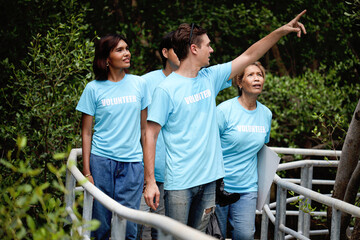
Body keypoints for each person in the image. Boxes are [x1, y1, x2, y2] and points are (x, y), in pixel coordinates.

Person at [143, 10, 307, 232]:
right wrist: (150, 181)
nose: (211, 49)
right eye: (207, 45)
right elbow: (150, 134)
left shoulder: (210, 78)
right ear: (194, 49)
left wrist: (280, 32)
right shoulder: (166, 89)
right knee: (173, 237)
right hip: (180, 184)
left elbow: (249, 56)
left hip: (209, 182)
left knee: (200, 237)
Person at [76, 34, 151, 240]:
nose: (126, 53)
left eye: (126, 48)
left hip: (132, 164)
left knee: (128, 227)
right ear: (106, 58)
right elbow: (86, 131)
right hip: (101, 162)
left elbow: (145, 131)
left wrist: (148, 171)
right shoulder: (93, 89)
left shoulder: (139, 84)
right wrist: (86, 172)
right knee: (100, 225)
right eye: (119, 50)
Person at [215, 62, 270, 240]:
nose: (257, 78)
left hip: (247, 189)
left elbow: (262, 149)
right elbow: (209, 145)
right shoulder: (224, 110)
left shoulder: (266, 114)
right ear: (239, 82)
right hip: (218, 188)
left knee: (245, 235)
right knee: (216, 236)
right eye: (251, 75)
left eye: (259, 75)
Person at [136, 31, 180, 240]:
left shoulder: (193, 82)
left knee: (164, 233)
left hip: (178, 175)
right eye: (176, 48)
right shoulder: (144, 82)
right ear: (165, 52)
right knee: (138, 229)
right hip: (146, 170)